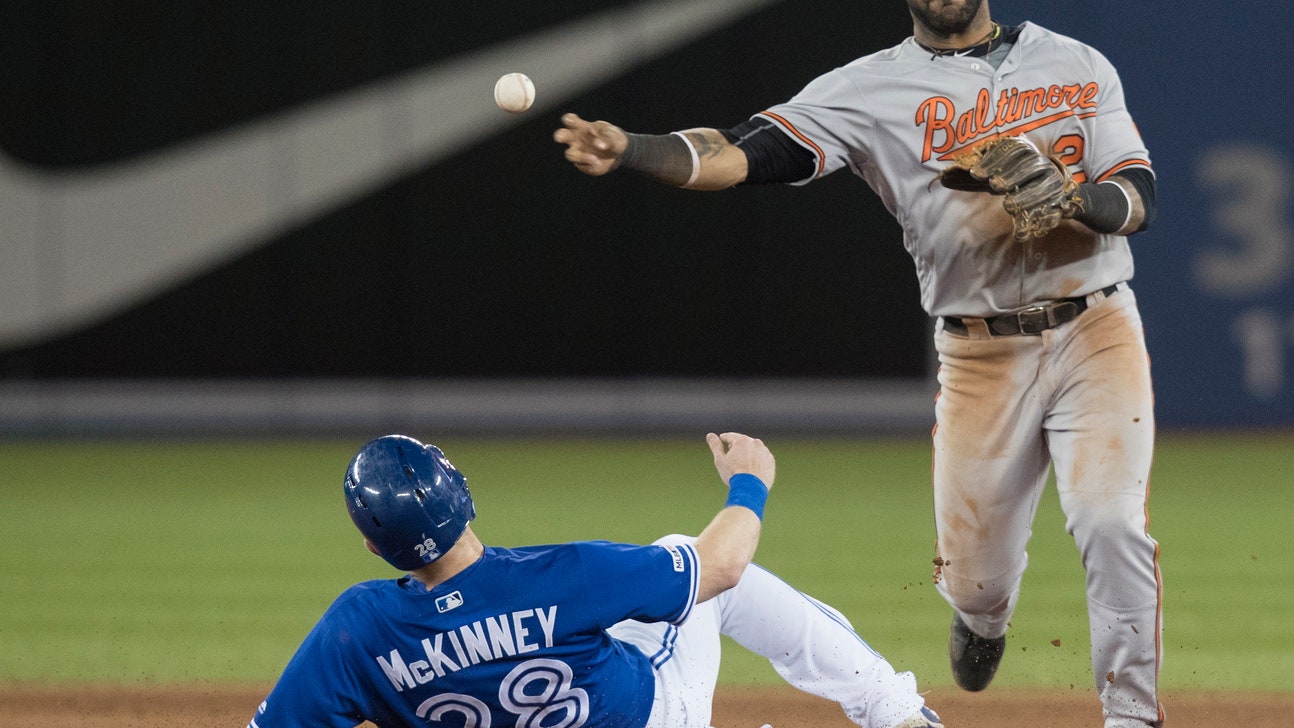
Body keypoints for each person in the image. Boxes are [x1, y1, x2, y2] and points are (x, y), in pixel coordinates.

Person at [553, 2, 1163, 726]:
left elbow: (1137, 197)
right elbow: (738, 153)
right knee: (975, 581)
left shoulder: (1079, 63)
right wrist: (633, 149)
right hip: (978, 351)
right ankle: (982, 618)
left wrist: (1076, 200)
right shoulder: (869, 89)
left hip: (1095, 322)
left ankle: (1132, 715)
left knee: (1109, 520)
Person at [248, 432, 943, 728]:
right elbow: (723, 563)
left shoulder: (358, 630)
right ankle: (891, 707)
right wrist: (749, 484)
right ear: (463, 494)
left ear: (374, 546)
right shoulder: (559, 576)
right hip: (656, 715)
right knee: (687, 559)